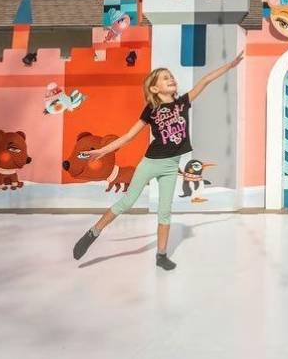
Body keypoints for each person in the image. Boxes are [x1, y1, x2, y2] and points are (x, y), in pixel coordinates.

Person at [72, 54, 243, 270]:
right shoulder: (151, 110)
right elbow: (129, 136)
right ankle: (93, 233)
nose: (171, 79)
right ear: (154, 88)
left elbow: (206, 80)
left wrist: (230, 65)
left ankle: (161, 255)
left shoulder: (183, 103)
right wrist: (102, 151)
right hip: (150, 163)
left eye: (171, 76)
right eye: (165, 77)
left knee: (165, 211)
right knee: (127, 202)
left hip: (171, 167)